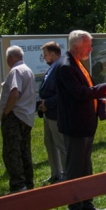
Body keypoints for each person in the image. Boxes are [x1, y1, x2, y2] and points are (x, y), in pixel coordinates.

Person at [56, 30, 106, 210]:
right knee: (75, 168)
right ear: (77, 46)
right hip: (75, 126)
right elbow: (80, 93)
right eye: (88, 45)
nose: (91, 48)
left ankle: (87, 203)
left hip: (86, 125)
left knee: (86, 166)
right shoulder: (65, 66)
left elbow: (86, 91)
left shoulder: (77, 63)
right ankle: (74, 209)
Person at [0, 45, 37, 193]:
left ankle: (18, 185)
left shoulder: (15, 71)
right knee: (24, 150)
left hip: (15, 117)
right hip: (26, 117)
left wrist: (6, 113)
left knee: (12, 152)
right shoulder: (28, 70)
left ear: (11, 58)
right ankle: (28, 183)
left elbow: (14, 93)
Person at [37, 41, 66, 185]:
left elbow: (63, 94)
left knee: (60, 145)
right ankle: (55, 173)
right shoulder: (52, 68)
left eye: (46, 55)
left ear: (53, 55)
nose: (44, 57)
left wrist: (47, 104)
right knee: (49, 143)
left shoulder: (61, 68)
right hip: (48, 114)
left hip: (56, 113)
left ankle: (66, 174)